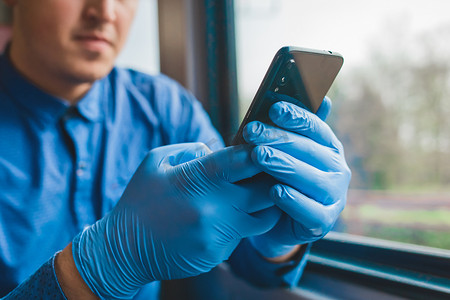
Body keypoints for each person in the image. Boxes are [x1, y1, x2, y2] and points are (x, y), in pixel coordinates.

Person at [0, 0, 351, 299]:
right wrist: (100, 267)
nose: (105, 11)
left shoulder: (165, 106)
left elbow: (240, 252)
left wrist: (272, 239)